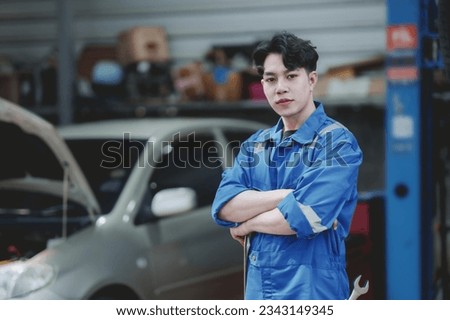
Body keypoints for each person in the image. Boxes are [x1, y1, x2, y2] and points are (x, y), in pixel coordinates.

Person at [211, 31, 363, 300]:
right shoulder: (255, 145)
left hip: (312, 293)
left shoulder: (338, 144)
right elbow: (224, 206)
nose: (280, 87)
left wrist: (248, 225)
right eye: (271, 79)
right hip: (260, 294)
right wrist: (288, 196)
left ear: (311, 79)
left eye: (290, 76)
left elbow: (304, 216)